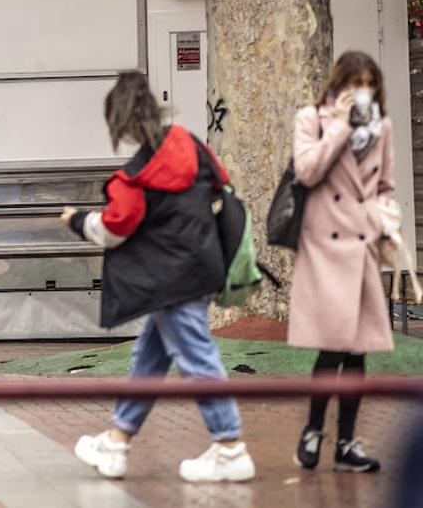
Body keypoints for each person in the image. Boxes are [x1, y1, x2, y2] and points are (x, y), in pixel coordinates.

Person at [61, 71, 255, 483]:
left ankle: (230, 446)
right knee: (148, 359)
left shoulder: (136, 175)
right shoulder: (190, 143)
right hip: (201, 269)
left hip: (166, 282)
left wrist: (77, 220)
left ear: (121, 122)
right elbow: (222, 183)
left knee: (198, 359)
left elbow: (114, 228)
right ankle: (116, 442)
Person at [289, 50, 395, 474]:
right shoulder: (311, 119)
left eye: (367, 83)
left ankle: (347, 443)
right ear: (338, 84)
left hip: (362, 243)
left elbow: (385, 184)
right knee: (332, 345)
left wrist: (384, 217)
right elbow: (307, 171)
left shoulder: (381, 128)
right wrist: (338, 128)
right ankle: (313, 431)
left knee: (358, 349)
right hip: (325, 247)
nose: (360, 91)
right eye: (353, 83)